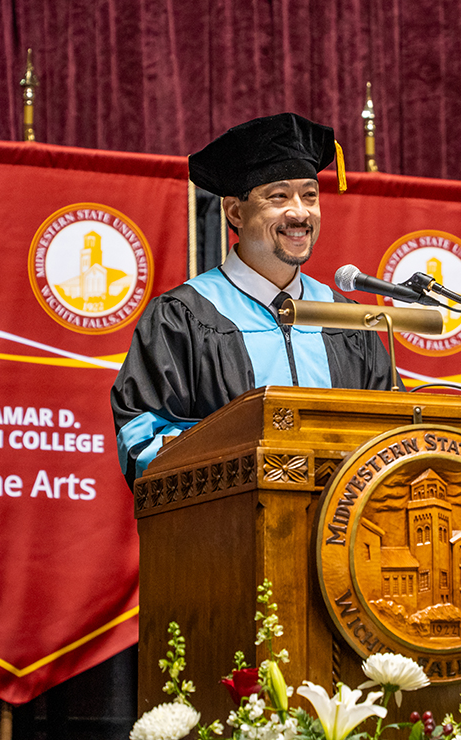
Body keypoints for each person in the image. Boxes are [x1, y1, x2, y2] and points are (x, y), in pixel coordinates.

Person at [111, 112, 398, 489]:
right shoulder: (183, 316)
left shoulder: (347, 320)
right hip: (227, 537)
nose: (300, 212)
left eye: (310, 195)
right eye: (279, 196)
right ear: (235, 212)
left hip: (341, 536)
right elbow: (141, 441)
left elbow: (393, 440)